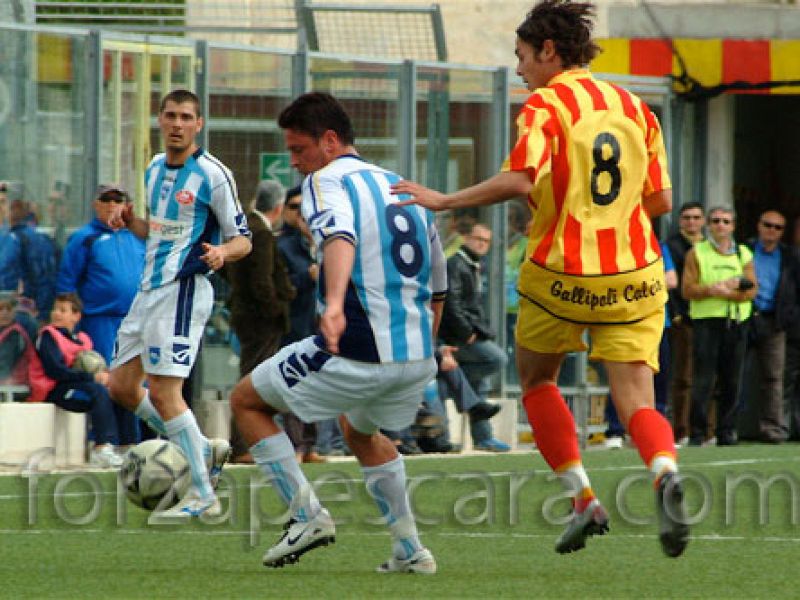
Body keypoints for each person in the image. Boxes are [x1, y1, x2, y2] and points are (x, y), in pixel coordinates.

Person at [392, 0, 689, 558]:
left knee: (537, 381)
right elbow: (662, 200)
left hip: (561, 274)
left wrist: (447, 198)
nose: (521, 70)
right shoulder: (634, 106)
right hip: (634, 276)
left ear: (549, 51)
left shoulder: (545, 106)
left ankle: (582, 500)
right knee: (636, 399)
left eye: (523, 57)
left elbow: (521, 177)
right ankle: (664, 470)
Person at [229, 92, 445, 573]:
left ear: (329, 141)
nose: (294, 161)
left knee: (246, 402)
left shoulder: (326, 182)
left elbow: (339, 237)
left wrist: (332, 303)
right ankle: (411, 550)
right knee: (359, 429)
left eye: (299, 149)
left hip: (358, 348)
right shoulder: (401, 186)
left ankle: (306, 515)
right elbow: (440, 274)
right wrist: (428, 341)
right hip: (413, 355)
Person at [107, 89, 252, 518]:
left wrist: (224, 253)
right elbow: (159, 232)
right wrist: (131, 221)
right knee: (121, 387)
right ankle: (203, 448)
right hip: (147, 291)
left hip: (184, 291)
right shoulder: (154, 168)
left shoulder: (213, 174)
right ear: (160, 120)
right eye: (170, 115)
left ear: (198, 124)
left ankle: (203, 494)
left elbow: (244, 238)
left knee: (166, 391)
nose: (176, 123)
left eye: (186, 117)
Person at [55, 183, 145, 447]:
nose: (112, 204)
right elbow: (66, 283)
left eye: (118, 199)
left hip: (135, 322)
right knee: (106, 380)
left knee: (136, 382)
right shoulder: (85, 238)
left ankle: (134, 441)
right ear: (96, 204)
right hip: (99, 321)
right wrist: (71, 325)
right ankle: (103, 441)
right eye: (106, 199)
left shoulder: (137, 237)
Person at [221, 178, 295, 464]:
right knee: (252, 380)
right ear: (278, 207)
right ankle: (241, 446)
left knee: (251, 376)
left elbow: (228, 270)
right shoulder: (261, 233)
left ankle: (243, 444)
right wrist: (276, 309)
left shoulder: (244, 229)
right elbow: (262, 279)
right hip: (260, 320)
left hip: (245, 314)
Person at [682, 206, 757, 446]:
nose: (720, 225)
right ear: (708, 225)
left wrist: (729, 293)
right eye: (715, 221)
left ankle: (727, 431)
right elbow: (687, 289)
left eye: (725, 221)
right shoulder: (697, 252)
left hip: (736, 321)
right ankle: (697, 433)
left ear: (733, 226)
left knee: (732, 379)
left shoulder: (743, 254)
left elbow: (752, 289)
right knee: (703, 380)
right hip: (706, 323)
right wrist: (712, 290)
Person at [28, 293, 123, 467]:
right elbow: (55, 371)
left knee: (117, 391)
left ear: (76, 316)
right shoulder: (47, 336)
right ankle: (101, 448)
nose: (57, 313)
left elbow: (91, 368)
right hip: (54, 390)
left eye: (63, 310)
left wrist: (104, 375)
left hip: (76, 385)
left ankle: (127, 446)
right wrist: (91, 377)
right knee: (97, 392)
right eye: (55, 309)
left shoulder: (84, 340)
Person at [439, 222, 509, 451]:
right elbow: (451, 303)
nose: (482, 244)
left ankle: (483, 438)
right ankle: (447, 379)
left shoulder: (474, 265)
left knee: (480, 381)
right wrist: (466, 332)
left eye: (486, 240)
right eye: (478, 238)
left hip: (471, 332)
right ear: (465, 238)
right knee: (497, 359)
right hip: (458, 337)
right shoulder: (456, 264)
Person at [275, 184, 326, 463]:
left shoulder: (329, 245)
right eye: (295, 208)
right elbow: (280, 287)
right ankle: (297, 444)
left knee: (315, 386)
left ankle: (310, 444)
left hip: (320, 327)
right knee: (293, 385)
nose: (302, 216)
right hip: (294, 324)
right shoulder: (283, 245)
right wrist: (308, 276)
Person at [743, 210, 797, 443]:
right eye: (768, 225)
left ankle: (773, 429)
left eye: (778, 227)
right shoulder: (743, 250)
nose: (771, 230)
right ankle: (726, 428)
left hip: (774, 321)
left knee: (774, 378)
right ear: (758, 225)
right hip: (745, 317)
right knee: (734, 375)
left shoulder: (790, 256)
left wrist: (789, 315)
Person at [664, 202, 705, 444]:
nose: (691, 222)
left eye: (696, 217)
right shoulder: (671, 246)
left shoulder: (713, 248)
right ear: (680, 221)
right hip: (683, 319)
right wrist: (677, 314)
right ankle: (681, 430)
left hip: (709, 317)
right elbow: (672, 287)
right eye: (687, 217)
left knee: (709, 378)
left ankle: (706, 431)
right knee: (683, 377)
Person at [783, 216, 800, 441]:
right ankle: (785, 427)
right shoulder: (792, 257)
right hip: (794, 328)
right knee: (786, 380)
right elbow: (788, 295)